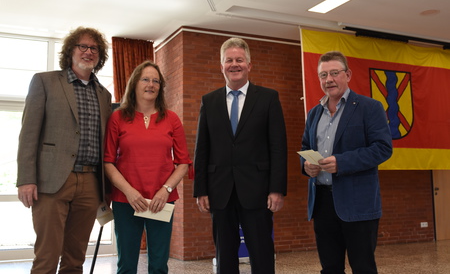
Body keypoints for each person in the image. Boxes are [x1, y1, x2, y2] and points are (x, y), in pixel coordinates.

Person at [16, 27, 112, 273]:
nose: (88, 52)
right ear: (71, 50)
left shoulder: (104, 94)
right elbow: (28, 134)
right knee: (46, 257)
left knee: (75, 258)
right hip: (52, 181)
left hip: (91, 182)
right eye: (83, 46)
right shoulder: (44, 81)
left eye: (94, 48)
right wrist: (26, 179)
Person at [194, 37, 287, 274]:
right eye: (229, 60)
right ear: (221, 66)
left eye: (239, 60)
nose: (234, 64)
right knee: (224, 254)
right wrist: (201, 189)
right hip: (219, 191)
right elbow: (202, 149)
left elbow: (278, 146)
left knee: (261, 251)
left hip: (258, 190)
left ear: (249, 65)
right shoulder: (209, 101)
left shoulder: (268, 98)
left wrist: (277, 189)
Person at [300, 51, 393, 274]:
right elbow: (305, 148)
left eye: (334, 73)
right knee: (330, 268)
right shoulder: (314, 113)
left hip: (358, 204)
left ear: (348, 75)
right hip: (322, 203)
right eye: (323, 75)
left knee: (363, 267)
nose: (328, 79)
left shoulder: (369, 108)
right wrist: (306, 166)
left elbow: (382, 148)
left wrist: (342, 162)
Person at [104, 60, 193, 274]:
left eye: (156, 81)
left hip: (161, 201)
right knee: (126, 264)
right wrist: (129, 192)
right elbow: (108, 161)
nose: (151, 84)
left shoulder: (171, 119)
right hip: (127, 201)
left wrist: (166, 190)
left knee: (159, 264)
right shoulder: (118, 118)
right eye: (145, 79)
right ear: (134, 83)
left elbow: (183, 163)